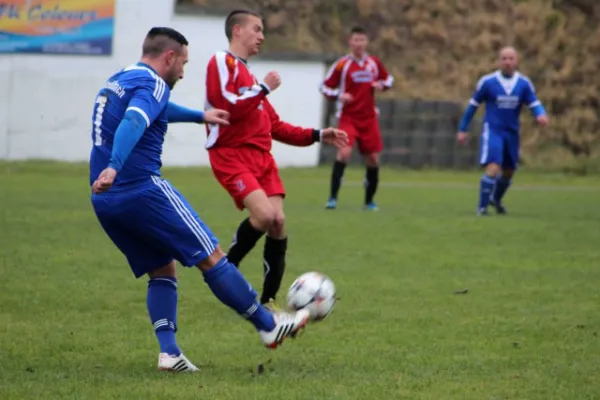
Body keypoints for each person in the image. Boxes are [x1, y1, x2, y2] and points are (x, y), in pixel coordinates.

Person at [89, 27, 311, 373]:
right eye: (183, 64)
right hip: (141, 190)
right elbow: (135, 120)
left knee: (162, 268)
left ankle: (169, 353)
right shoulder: (154, 83)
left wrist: (199, 116)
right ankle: (268, 326)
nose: (182, 71)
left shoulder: (121, 78)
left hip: (105, 201)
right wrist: (116, 167)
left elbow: (153, 109)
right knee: (213, 257)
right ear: (169, 57)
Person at [204, 10, 348, 307]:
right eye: (256, 29)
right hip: (232, 156)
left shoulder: (252, 79)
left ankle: (267, 301)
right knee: (265, 215)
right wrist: (264, 88)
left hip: (262, 160)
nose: (262, 36)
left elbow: (276, 127)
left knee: (278, 222)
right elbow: (225, 105)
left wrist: (320, 134)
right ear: (237, 31)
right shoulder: (222, 62)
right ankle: (225, 269)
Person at [457, 46, 549, 215]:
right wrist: (463, 129)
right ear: (499, 61)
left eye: (511, 58)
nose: (507, 62)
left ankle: (496, 199)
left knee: (509, 171)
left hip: (511, 133)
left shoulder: (523, 83)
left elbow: (534, 103)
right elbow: (472, 107)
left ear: (516, 61)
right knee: (493, 167)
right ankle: (482, 208)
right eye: (504, 58)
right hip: (493, 130)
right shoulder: (488, 82)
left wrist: (541, 114)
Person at [320, 26, 394, 211]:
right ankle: (332, 199)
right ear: (349, 42)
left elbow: (389, 80)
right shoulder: (342, 65)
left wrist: (381, 85)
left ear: (367, 42)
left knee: (373, 160)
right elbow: (323, 86)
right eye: (356, 40)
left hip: (369, 119)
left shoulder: (374, 63)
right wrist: (339, 95)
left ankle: (369, 201)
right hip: (348, 117)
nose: (359, 44)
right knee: (344, 153)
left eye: (362, 40)